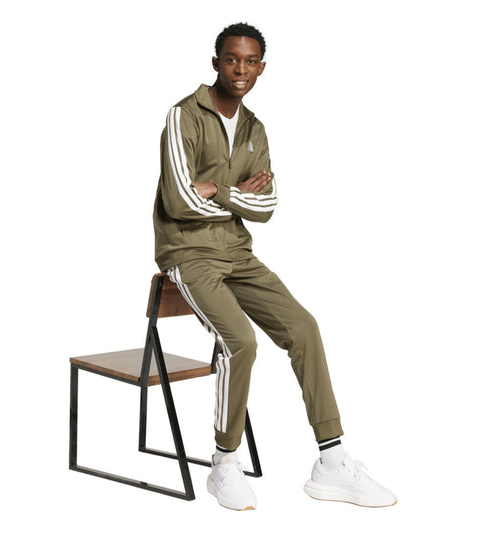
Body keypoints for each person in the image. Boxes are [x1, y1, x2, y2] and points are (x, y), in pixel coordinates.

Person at [153, 22, 397, 511]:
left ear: (261, 68)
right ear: (216, 62)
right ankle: (224, 463)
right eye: (231, 59)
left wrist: (217, 190)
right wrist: (235, 196)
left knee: (304, 328)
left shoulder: (254, 128)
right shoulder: (184, 116)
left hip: (238, 253)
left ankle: (331, 461)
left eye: (250, 61)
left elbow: (266, 207)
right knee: (240, 341)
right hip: (188, 253)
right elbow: (179, 201)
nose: (239, 69)